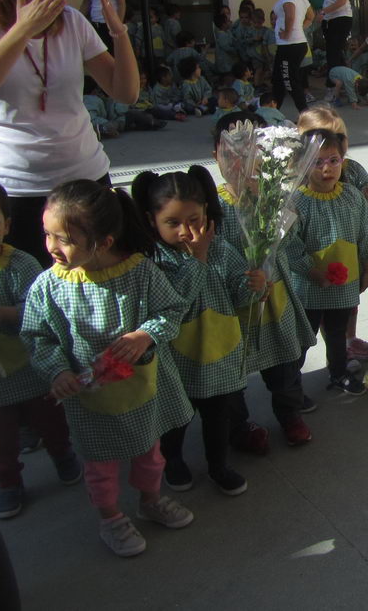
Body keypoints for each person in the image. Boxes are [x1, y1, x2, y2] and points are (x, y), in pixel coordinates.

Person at [21, 180, 194, 557]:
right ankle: (111, 518)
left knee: (150, 454)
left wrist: (145, 335)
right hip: (90, 402)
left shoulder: (141, 272)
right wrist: (57, 371)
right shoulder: (48, 287)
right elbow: (37, 337)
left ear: (104, 242)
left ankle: (150, 500)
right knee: (100, 467)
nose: (51, 246)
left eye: (63, 238)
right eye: (47, 234)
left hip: (142, 391)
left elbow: (172, 310)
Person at [0, 0, 140, 267]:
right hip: (17, 191)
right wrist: (23, 29)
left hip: (86, 178)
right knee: (33, 297)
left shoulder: (71, 21)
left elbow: (125, 92)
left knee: (100, 284)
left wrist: (119, 34)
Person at [131, 167, 264, 497]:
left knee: (218, 415)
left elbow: (238, 292)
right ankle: (173, 459)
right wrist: (197, 259)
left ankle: (218, 465)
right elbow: (174, 303)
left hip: (219, 352)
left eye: (194, 219)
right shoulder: (153, 262)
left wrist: (255, 287)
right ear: (151, 221)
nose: (187, 231)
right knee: (176, 417)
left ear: (206, 210)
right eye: (173, 223)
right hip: (175, 360)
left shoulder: (220, 249)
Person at [211, 112, 313, 449]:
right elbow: (210, 250)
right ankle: (239, 426)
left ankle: (290, 414)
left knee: (284, 363)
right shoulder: (212, 206)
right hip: (234, 303)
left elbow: (290, 238)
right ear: (217, 156)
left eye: (253, 153)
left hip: (275, 297)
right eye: (233, 154)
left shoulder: (275, 194)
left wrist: (274, 208)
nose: (243, 162)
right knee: (234, 369)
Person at [0, 176, 81, 520]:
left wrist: (1, 314)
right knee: (0, 439)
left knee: (51, 421)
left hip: (31, 369)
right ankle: (8, 481)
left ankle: (63, 454)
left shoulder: (20, 265)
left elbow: (38, 312)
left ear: (7, 225)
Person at [291, 129, 368, 395]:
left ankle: (338, 373)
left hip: (344, 283)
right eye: (317, 162)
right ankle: (291, 386)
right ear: (301, 165)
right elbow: (290, 245)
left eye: (333, 160)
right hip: (309, 287)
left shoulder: (352, 196)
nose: (326, 168)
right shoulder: (296, 202)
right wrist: (311, 271)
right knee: (303, 338)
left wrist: (367, 266)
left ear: (343, 160)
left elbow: (365, 233)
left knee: (338, 331)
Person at [272, 0, 315, 112]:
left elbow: (290, 15)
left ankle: (305, 113)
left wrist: (288, 33)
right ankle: (273, 110)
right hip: (295, 44)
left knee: (290, 81)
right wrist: (299, 28)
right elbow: (311, 16)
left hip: (290, 44)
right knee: (279, 78)